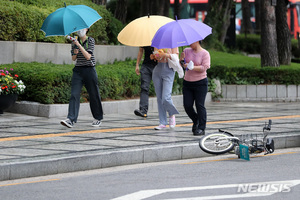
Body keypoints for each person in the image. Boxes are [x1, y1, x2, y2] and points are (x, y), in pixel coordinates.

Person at [60, 28, 103, 128]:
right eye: (78, 29)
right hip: (78, 71)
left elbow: (88, 56)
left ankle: (98, 118)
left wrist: (79, 45)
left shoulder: (90, 40)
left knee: (93, 94)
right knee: (74, 94)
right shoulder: (74, 41)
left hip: (89, 70)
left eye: (82, 28)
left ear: (87, 29)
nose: (80, 30)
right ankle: (71, 119)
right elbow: (73, 58)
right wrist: (75, 51)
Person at [180, 41, 210, 136]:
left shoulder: (205, 53)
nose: (189, 43)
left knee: (199, 105)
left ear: (197, 41)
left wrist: (192, 67)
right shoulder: (186, 51)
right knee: (187, 105)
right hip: (187, 82)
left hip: (200, 83)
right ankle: (195, 119)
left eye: (191, 41)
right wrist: (181, 60)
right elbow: (183, 66)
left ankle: (201, 127)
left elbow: (205, 67)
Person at [152, 48, 180, 130]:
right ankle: (162, 122)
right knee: (159, 98)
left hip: (169, 69)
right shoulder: (157, 42)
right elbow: (157, 56)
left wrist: (166, 55)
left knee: (166, 97)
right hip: (157, 69)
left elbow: (176, 57)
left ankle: (171, 114)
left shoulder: (172, 42)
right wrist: (155, 56)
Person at [134, 46, 157, 118]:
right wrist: (137, 65)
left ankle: (166, 109)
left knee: (160, 89)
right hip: (146, 66)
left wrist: (155, 56)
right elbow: (141, 51)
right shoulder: (145, 37)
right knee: (144, 87)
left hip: (157, 66)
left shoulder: (159, 36)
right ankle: (143, 111)